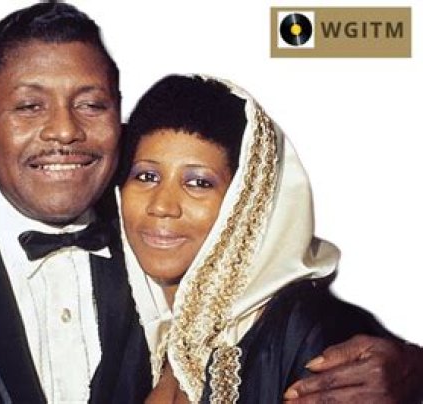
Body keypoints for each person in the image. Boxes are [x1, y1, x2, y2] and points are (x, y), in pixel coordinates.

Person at [0, 3, 423, 404]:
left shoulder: (167, 251)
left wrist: (413, 372)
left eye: (90, 104)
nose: (63, 130)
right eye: (29, 105)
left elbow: (332, 349)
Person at [118, 74, 423, 403]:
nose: (162, 206)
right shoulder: (151, 331)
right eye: (146, 176)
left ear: (247, 202)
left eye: (199, 183)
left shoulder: (313, 332)